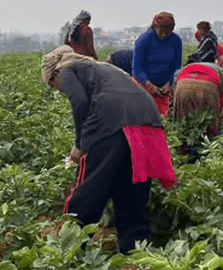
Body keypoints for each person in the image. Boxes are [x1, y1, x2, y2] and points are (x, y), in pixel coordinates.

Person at [41, 45, 177, 253]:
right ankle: (134, 248)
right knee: (131, 187)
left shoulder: (66, 69)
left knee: (88, 189)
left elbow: (79, 103)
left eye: (53, 85)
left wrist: (80, 145)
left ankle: (70, 247)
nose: (57, 89)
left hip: (113, 122)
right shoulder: (102, 68)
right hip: (147, 122)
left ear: (54, 75)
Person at [132, 12, 183, 116]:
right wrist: (150, 85)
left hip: (164, 86)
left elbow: (176, 66)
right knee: (143, 115)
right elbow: (137, 68)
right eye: (161, 32)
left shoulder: (176, 41)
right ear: (155, 27)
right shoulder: (143, 40)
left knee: (162, 118)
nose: (164, 35)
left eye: (167, 32)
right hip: (144, 84)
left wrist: (168, 83)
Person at [171, 62, 223, 138]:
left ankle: (182, 144)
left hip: (183, 84)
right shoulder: (217, 69)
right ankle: (210, 140)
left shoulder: (184, 68)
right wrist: (219, 114)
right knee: (211, 120)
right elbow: (221, 94)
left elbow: (174, 93)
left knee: (181, 118)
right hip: (208, 84)